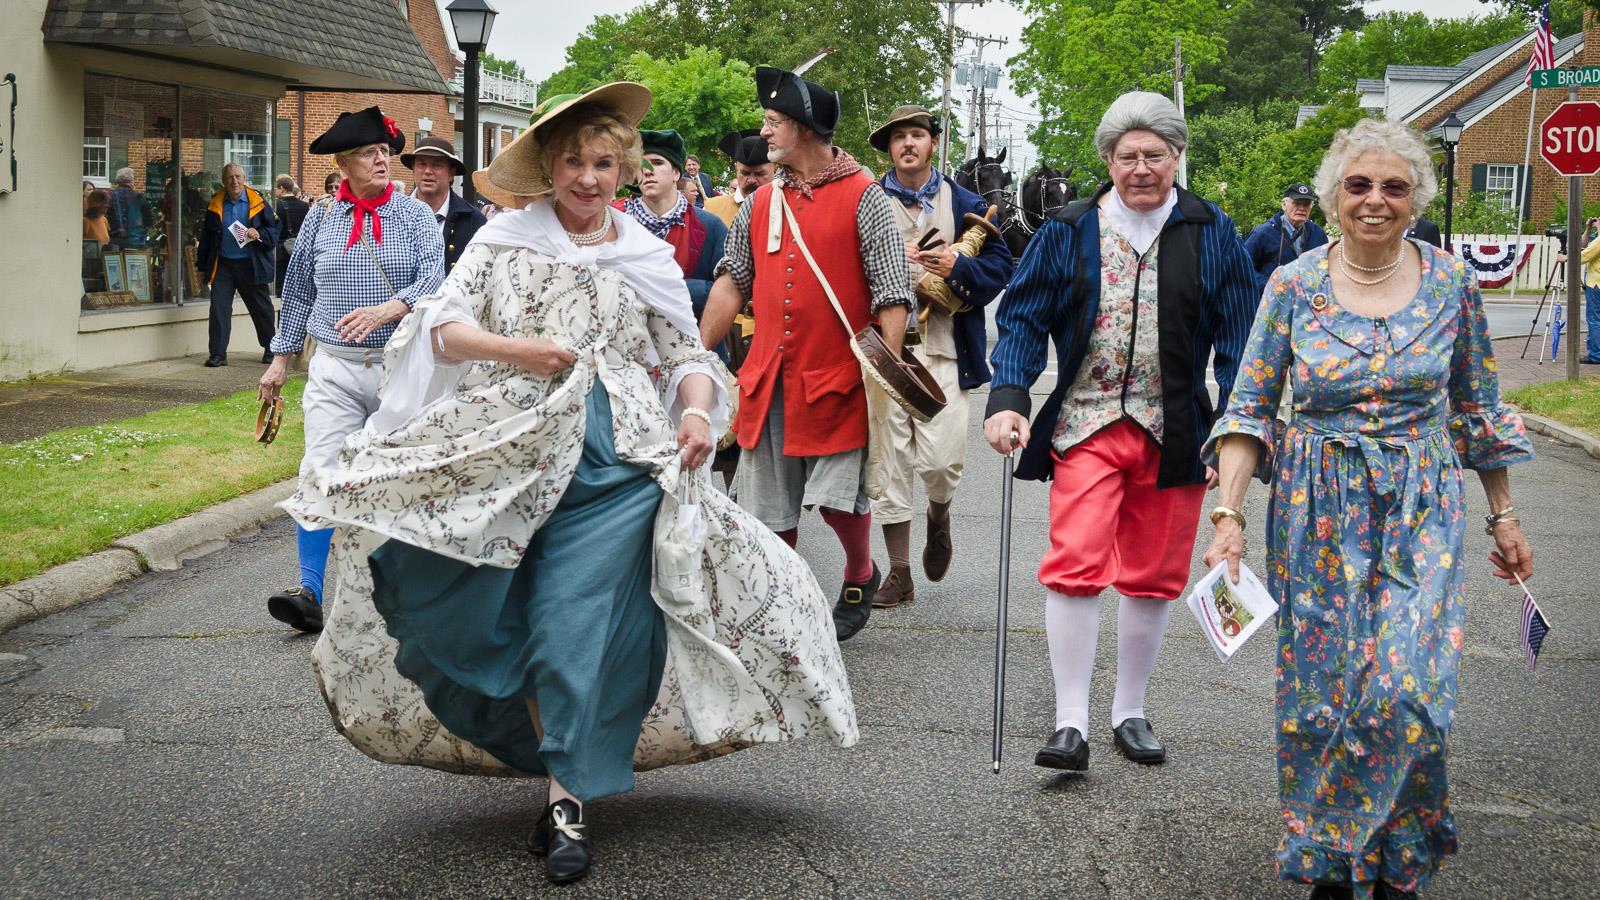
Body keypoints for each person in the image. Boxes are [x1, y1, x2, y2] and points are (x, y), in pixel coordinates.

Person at [282, 83, 856, 885]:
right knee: (493, 616)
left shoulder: (645, 255)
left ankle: (565, 806)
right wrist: (523, 353)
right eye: (575, 163)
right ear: (549, 168)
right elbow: (442, 330)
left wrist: (695, 415)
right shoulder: (503, 241)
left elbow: (689, 356)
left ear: (622, 169)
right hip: (509, 455)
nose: (590, 178)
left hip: (614, 465)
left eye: (604, 163)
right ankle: (556, 760)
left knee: (570, 626)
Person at [1201, 118, 1536, 900]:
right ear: (1332, 198)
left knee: (1406, 688)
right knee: (1323, 697)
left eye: (1393, 186)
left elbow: (1478, 407)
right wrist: (1229, 518)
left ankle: (1396, 852)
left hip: (1423, 502)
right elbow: (1249, 408)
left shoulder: (1453, 283)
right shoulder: (1293, 284)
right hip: (1316, 506)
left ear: (1415, 198)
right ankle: (1334, 864)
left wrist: (1504, 516)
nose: (1376, 200)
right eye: (1359, 186)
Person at [982, 92, 1256, 771]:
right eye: (1127, 156)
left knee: (1154, 575)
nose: (1141, 168)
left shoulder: (1210, 229)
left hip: (1178, 427)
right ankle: (1069, 721)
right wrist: (1010, 395)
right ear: (1107, 160)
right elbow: (1022, 318)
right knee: (1075, 562)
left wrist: (1233, 422)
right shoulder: (1068, 228)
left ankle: (1129, 711)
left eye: (1154, 156)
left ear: (1176, 157)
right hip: (1087, 422)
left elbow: (1241, 333)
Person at [700, 66, 914, 642]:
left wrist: (884, 376)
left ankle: (860, 572)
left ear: (804, 128)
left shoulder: (866, 196)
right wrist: (696, 352)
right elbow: (731, 281)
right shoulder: (761, 200)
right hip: (769, 376)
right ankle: (783, 599)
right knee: (770, 507)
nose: (764, 134)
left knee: (839, 499)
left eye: (773, 123)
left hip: (841, 378)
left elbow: (893, 292)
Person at [258, 105, 443, 633]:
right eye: (370, 152)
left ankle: (404, 591)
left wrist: (393, 307)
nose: (383, 159)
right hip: (334, 366)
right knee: (320, 467)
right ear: (343, 163)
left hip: (399, 367)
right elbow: (297, 294)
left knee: (399, 473)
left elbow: (436, 278)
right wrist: (279, 360)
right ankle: (310, 591)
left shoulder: (414, 216)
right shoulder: (319, 217)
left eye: (385, 150)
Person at [863, 104, 1013, 608]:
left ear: (932, 143)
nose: (908, 144)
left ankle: (939, 514)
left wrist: (955, 268)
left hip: (945, 349)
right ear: (889, 148)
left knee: (942, 461)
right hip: (883, 351)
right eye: (898, 137)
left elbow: (1000, 267)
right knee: (887, 462)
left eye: (917, 135)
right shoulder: (865, 201)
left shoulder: (967, 201)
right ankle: (900, 572)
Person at [612, 129, 728, 336]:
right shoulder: (615, 221)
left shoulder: (710, 226)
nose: (647, 171)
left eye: (656, 163)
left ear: (676, 173)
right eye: (641, 165)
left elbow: (728, 292)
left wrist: (672, 288)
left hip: (694, 341)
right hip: (627, 347)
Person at [195, 163, 278, 367]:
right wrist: (201, 267)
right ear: (224, 181)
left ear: (244, 178)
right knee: (219, 309)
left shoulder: (257, 201)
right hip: (223, 265)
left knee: (262, 308)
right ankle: (218, 354)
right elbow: (206, 237)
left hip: (251, 264)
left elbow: (275, 230)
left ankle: (271, 349)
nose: (235, 181)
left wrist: (260, 233)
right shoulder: (215, 204)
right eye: (230, 177)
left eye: (238, 177)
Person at [399, 135, 486, 272]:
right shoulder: (393, 215)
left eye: (437, 165)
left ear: (451, 173)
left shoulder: (473, 220)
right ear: (413, 170)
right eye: (422, 164)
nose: (428, 171)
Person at [1243, 183, 1329, 297]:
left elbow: (1327, 268)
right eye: (1297, 203)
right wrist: (1270, 285)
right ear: (1284, 205)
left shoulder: (1318, 233)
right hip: (1272, 302)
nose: (1302, 208)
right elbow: (1243, 269)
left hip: (1308, 303)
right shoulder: (1262, 234)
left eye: (1306, 204)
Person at [704, 128, 774, 226]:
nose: (751, 180)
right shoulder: (712, 209)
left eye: (760, 174)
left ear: (775, 169)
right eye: (745, 173)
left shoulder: (786, 208)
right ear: (737, 168)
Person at [272, 175, 310, 297]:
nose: (275, 192)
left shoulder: (276, 205)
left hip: (281, 250)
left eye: (276, 189)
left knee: (280, 286)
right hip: (299, 250)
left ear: (281, 188)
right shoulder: (305, 206)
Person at [107, 167, 153, 250]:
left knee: (116, 262)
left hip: (113, 239)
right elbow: (149, 220)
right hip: (135, 240)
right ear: (132, 181)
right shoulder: (139, 197)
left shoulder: (109, 196)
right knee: (132, 262)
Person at [1578, 216, 1600, 363]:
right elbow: (1581, 244)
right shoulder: (1597, 237)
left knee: (1594, 319)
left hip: (1596, 284)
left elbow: (1583, 256)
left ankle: (1595, 355)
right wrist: (1588, 229)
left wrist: (1565, 258)